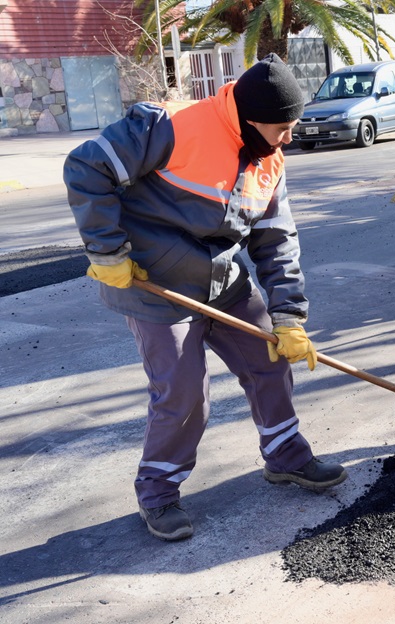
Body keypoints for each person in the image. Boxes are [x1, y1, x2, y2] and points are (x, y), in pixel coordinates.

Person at [64, 53, 347, 542]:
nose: (290, 138)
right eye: (283, 128)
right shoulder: (170, 127)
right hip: (153, 282)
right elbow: (87, 166)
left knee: (269, 359)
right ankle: (158, 492)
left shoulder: (269, 160)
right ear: (251, 119)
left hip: (222, 279)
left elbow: (277, 241)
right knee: (184, 392)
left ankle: (285, 456)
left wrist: (288, 316)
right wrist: (107, 251)